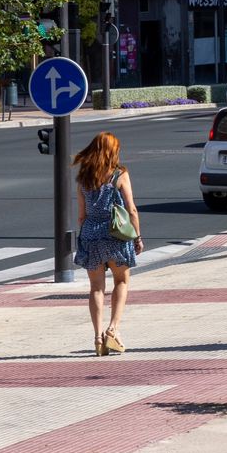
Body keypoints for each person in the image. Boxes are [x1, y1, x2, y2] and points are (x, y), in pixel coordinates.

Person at [72, 131, 140, 355]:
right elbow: (131, 208)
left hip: (90, 233)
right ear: (113, 151)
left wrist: (86, 232)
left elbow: (81, 215)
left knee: (95, 288)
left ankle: (97, 338)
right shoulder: (119, 174)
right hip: (115, 234)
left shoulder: (83, 177)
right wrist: (137, 236)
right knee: (121, 281)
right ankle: (112, 330)